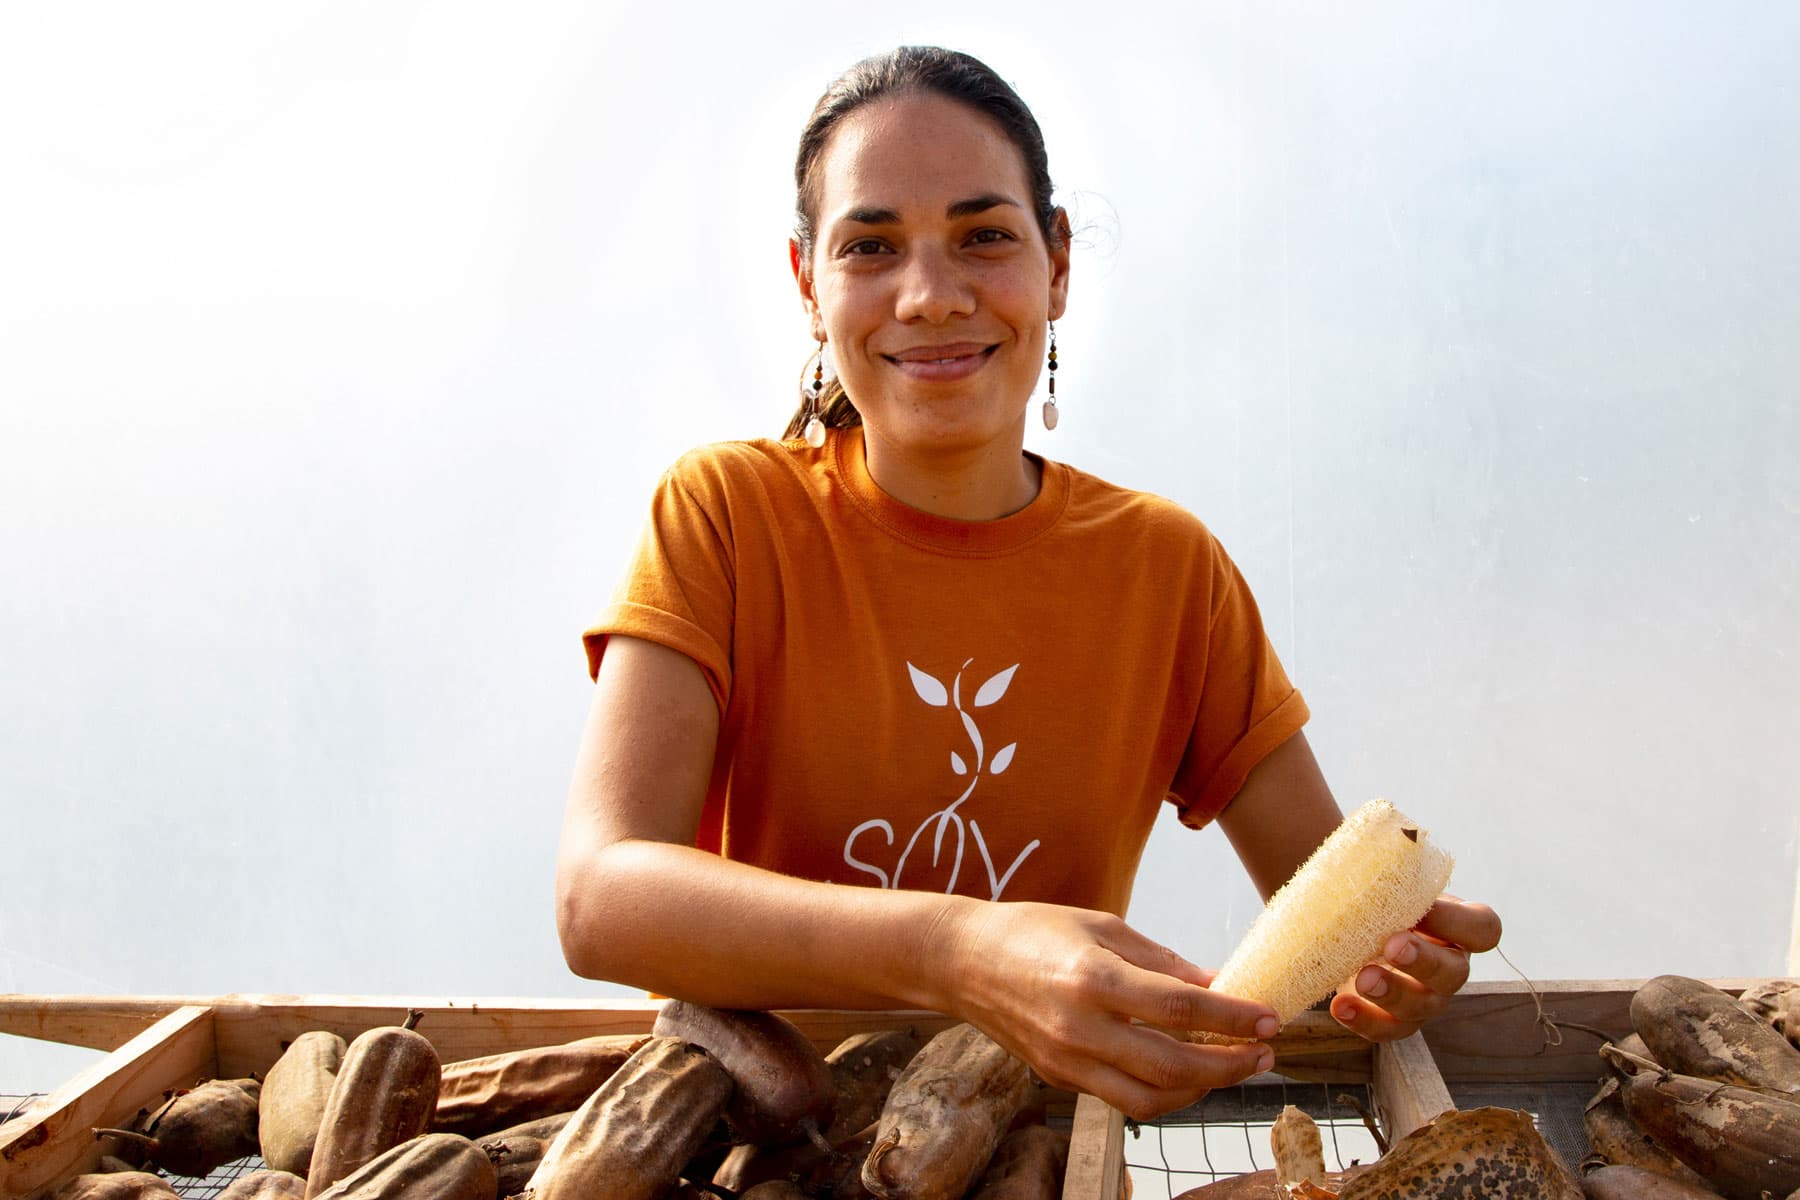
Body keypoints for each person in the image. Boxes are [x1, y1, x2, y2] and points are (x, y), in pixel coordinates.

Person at [556, 46, 1501, 1121]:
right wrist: (963, 947)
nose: (930, 294)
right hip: (754, 1141)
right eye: (871, 245)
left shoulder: (1168, 569)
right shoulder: (723, 513)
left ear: (1056, 263)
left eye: (984, 236)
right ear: (808, 285)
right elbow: (601, 899)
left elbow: (1331, 937)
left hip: (1038, 1149)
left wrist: (1393, 972)